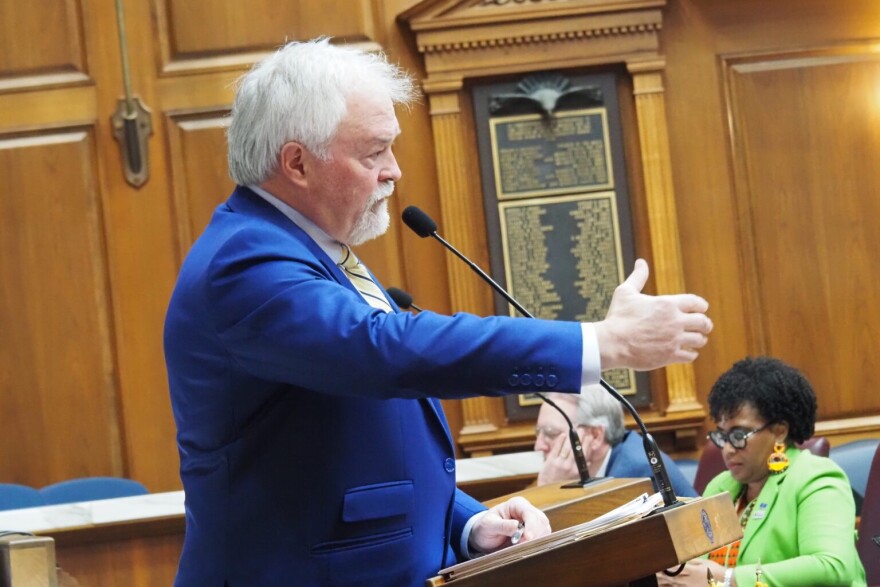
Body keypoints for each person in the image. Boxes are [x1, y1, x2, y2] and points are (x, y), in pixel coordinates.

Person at [163, 37, 713, 587]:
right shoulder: (245, 262)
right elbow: (384, 351)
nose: (395, 171)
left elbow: (351, 458)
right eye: (374, 152)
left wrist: (469, 523)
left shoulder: (317, 253)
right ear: (298, 162)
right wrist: (598, 343)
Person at [658, 357, 866, 586]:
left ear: (779, 432)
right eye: (722, 436)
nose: (727, 449)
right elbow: (697, 565)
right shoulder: (720, 486)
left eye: (738, 436)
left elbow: (832, 567)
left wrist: (727, 579)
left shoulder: (817, 478)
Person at [533, 387, 698, 497]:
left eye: (550, 433)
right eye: (538, 433)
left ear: (596, 435)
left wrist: (549, 490)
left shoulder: (635, 474)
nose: (538, 446)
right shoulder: (618, 456)